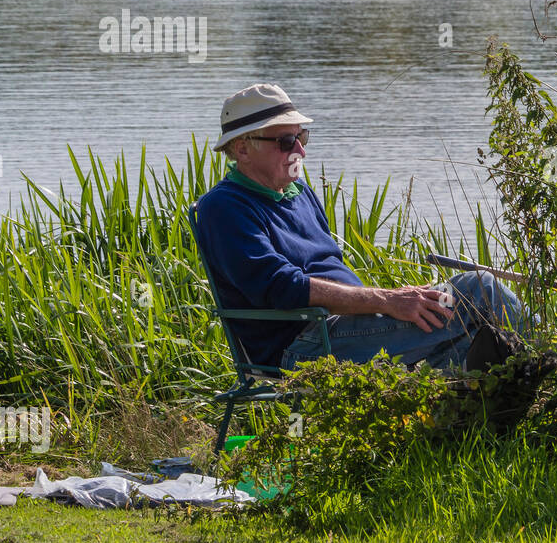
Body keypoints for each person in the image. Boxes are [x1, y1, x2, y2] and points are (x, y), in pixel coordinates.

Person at [192, 82, 535, 377]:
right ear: (241, 148)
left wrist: (392, 302)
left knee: (472, 340)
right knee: (480, 289)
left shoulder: (299, 193)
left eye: (301, 137)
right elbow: (282, 288)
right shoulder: (225, 207)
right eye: (285, 142)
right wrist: (387, 301)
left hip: (350, 328)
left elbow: (328, 272)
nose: (300, 150)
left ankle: (476, 419)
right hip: (301, 348)